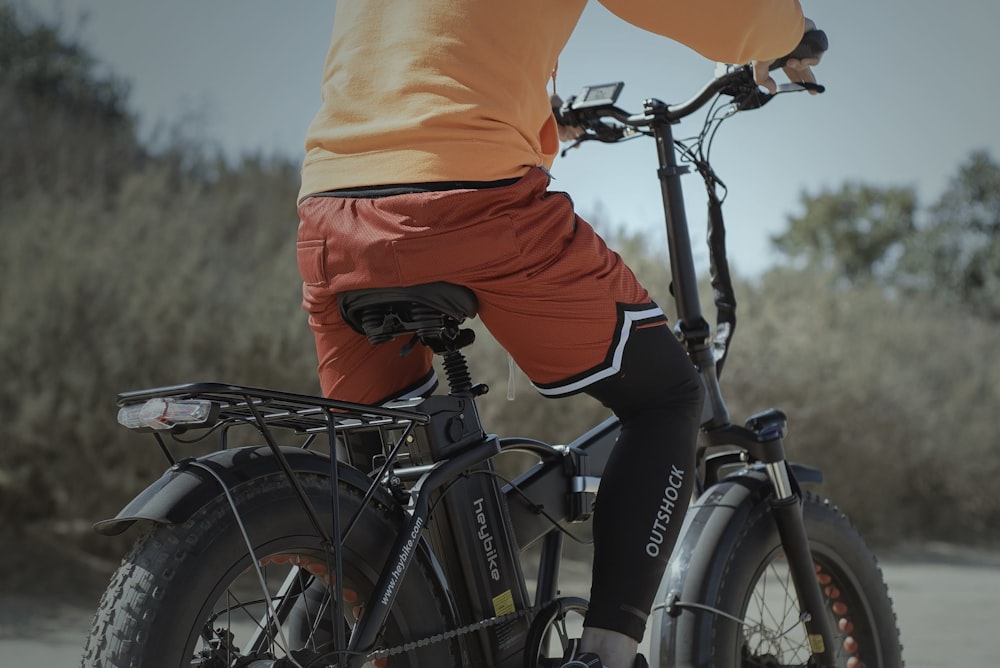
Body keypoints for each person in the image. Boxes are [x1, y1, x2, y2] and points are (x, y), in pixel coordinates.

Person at [295, 3, 821, 667]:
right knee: (666, 399)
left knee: (382, 485)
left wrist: (547, 117)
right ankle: (606, 652)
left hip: (331, 214)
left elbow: (425, 53)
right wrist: (784, 35)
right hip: (469, 202)